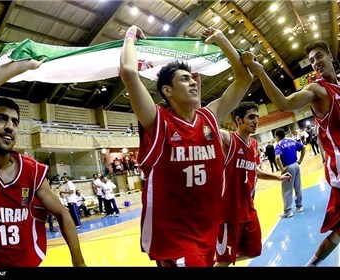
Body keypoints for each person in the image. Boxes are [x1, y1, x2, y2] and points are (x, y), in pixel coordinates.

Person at [119, 25, 252, 267]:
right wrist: (130, 36)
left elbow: (245, 78)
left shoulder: (210, 117)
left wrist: (222, 39)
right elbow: (128, 72)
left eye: (193, 78)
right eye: (184, 79)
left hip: (207, 228)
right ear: (167, 90)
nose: (193, 83)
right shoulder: (158, 121)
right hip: (174, 237)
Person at [0, 59, 85, 267]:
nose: (10, 127)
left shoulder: (31, 170)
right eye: (2, 119)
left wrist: (79, 262)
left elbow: (62, 213)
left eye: (15, 122)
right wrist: (17, 68)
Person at [242, 41, 340, 266]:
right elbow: (284, 103)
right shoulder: (317, 90)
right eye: (312, 60)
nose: (315, 63)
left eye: (318, 56)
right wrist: (259, 71)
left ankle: (312, 262)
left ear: (330, 56)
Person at [214, 101, 292, 267]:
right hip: (229, 213)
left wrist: (277, 177)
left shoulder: (254, 145)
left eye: (257, 117)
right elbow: (212, 131)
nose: (256, 120)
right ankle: (218, 259)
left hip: (248, 209)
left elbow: (254, 171)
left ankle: (219, 257)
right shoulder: (229, 139)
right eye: (251, 117)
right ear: (238, 121)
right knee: (224, 262)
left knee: (255, 250)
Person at [273, 128, 306, 218]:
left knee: (287, 190)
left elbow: (277, 158)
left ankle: (287, 211)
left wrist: (282, 170)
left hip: (288, 168)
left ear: (277, 137)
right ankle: (299, 206)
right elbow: (303, 147)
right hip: (296, 165)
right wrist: (300, 160)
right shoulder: (292, 141)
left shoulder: (278, 144)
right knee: (298, 187)